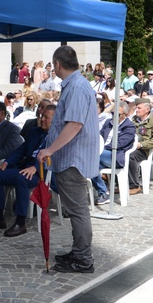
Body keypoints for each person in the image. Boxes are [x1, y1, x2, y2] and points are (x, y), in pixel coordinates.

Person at [37, 45, 99, 274]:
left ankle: (83, 258)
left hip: (73, 159)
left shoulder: (77, 87)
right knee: (75, 210)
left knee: (78, 210)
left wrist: (50, 149)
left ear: (58, 65)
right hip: (70, 157)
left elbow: (74, 125)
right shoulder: (75, 85)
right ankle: (78, 251)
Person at [0, 104, 55, 237]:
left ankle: (20, 223)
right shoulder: (34, 132)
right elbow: (21, 150)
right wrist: (7, 163)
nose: (42, 119)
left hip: (42, 173)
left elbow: (55, 157)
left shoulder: (58, 137)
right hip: (24, 167)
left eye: (46, 118)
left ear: (55, 120)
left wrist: (36, 167)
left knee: (22, 179)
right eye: (42, 116)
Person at [90, 101, 136, 204]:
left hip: (115, 156)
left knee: (91, 156)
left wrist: (102, 147)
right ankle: (104, 193)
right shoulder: (108, 123)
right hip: (101, 154)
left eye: (118, 114)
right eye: (113, 114)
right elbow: (99, 136)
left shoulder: (129, 127)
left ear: (125, 114)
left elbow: (120, 144)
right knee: (90, 164)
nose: (114, 116)